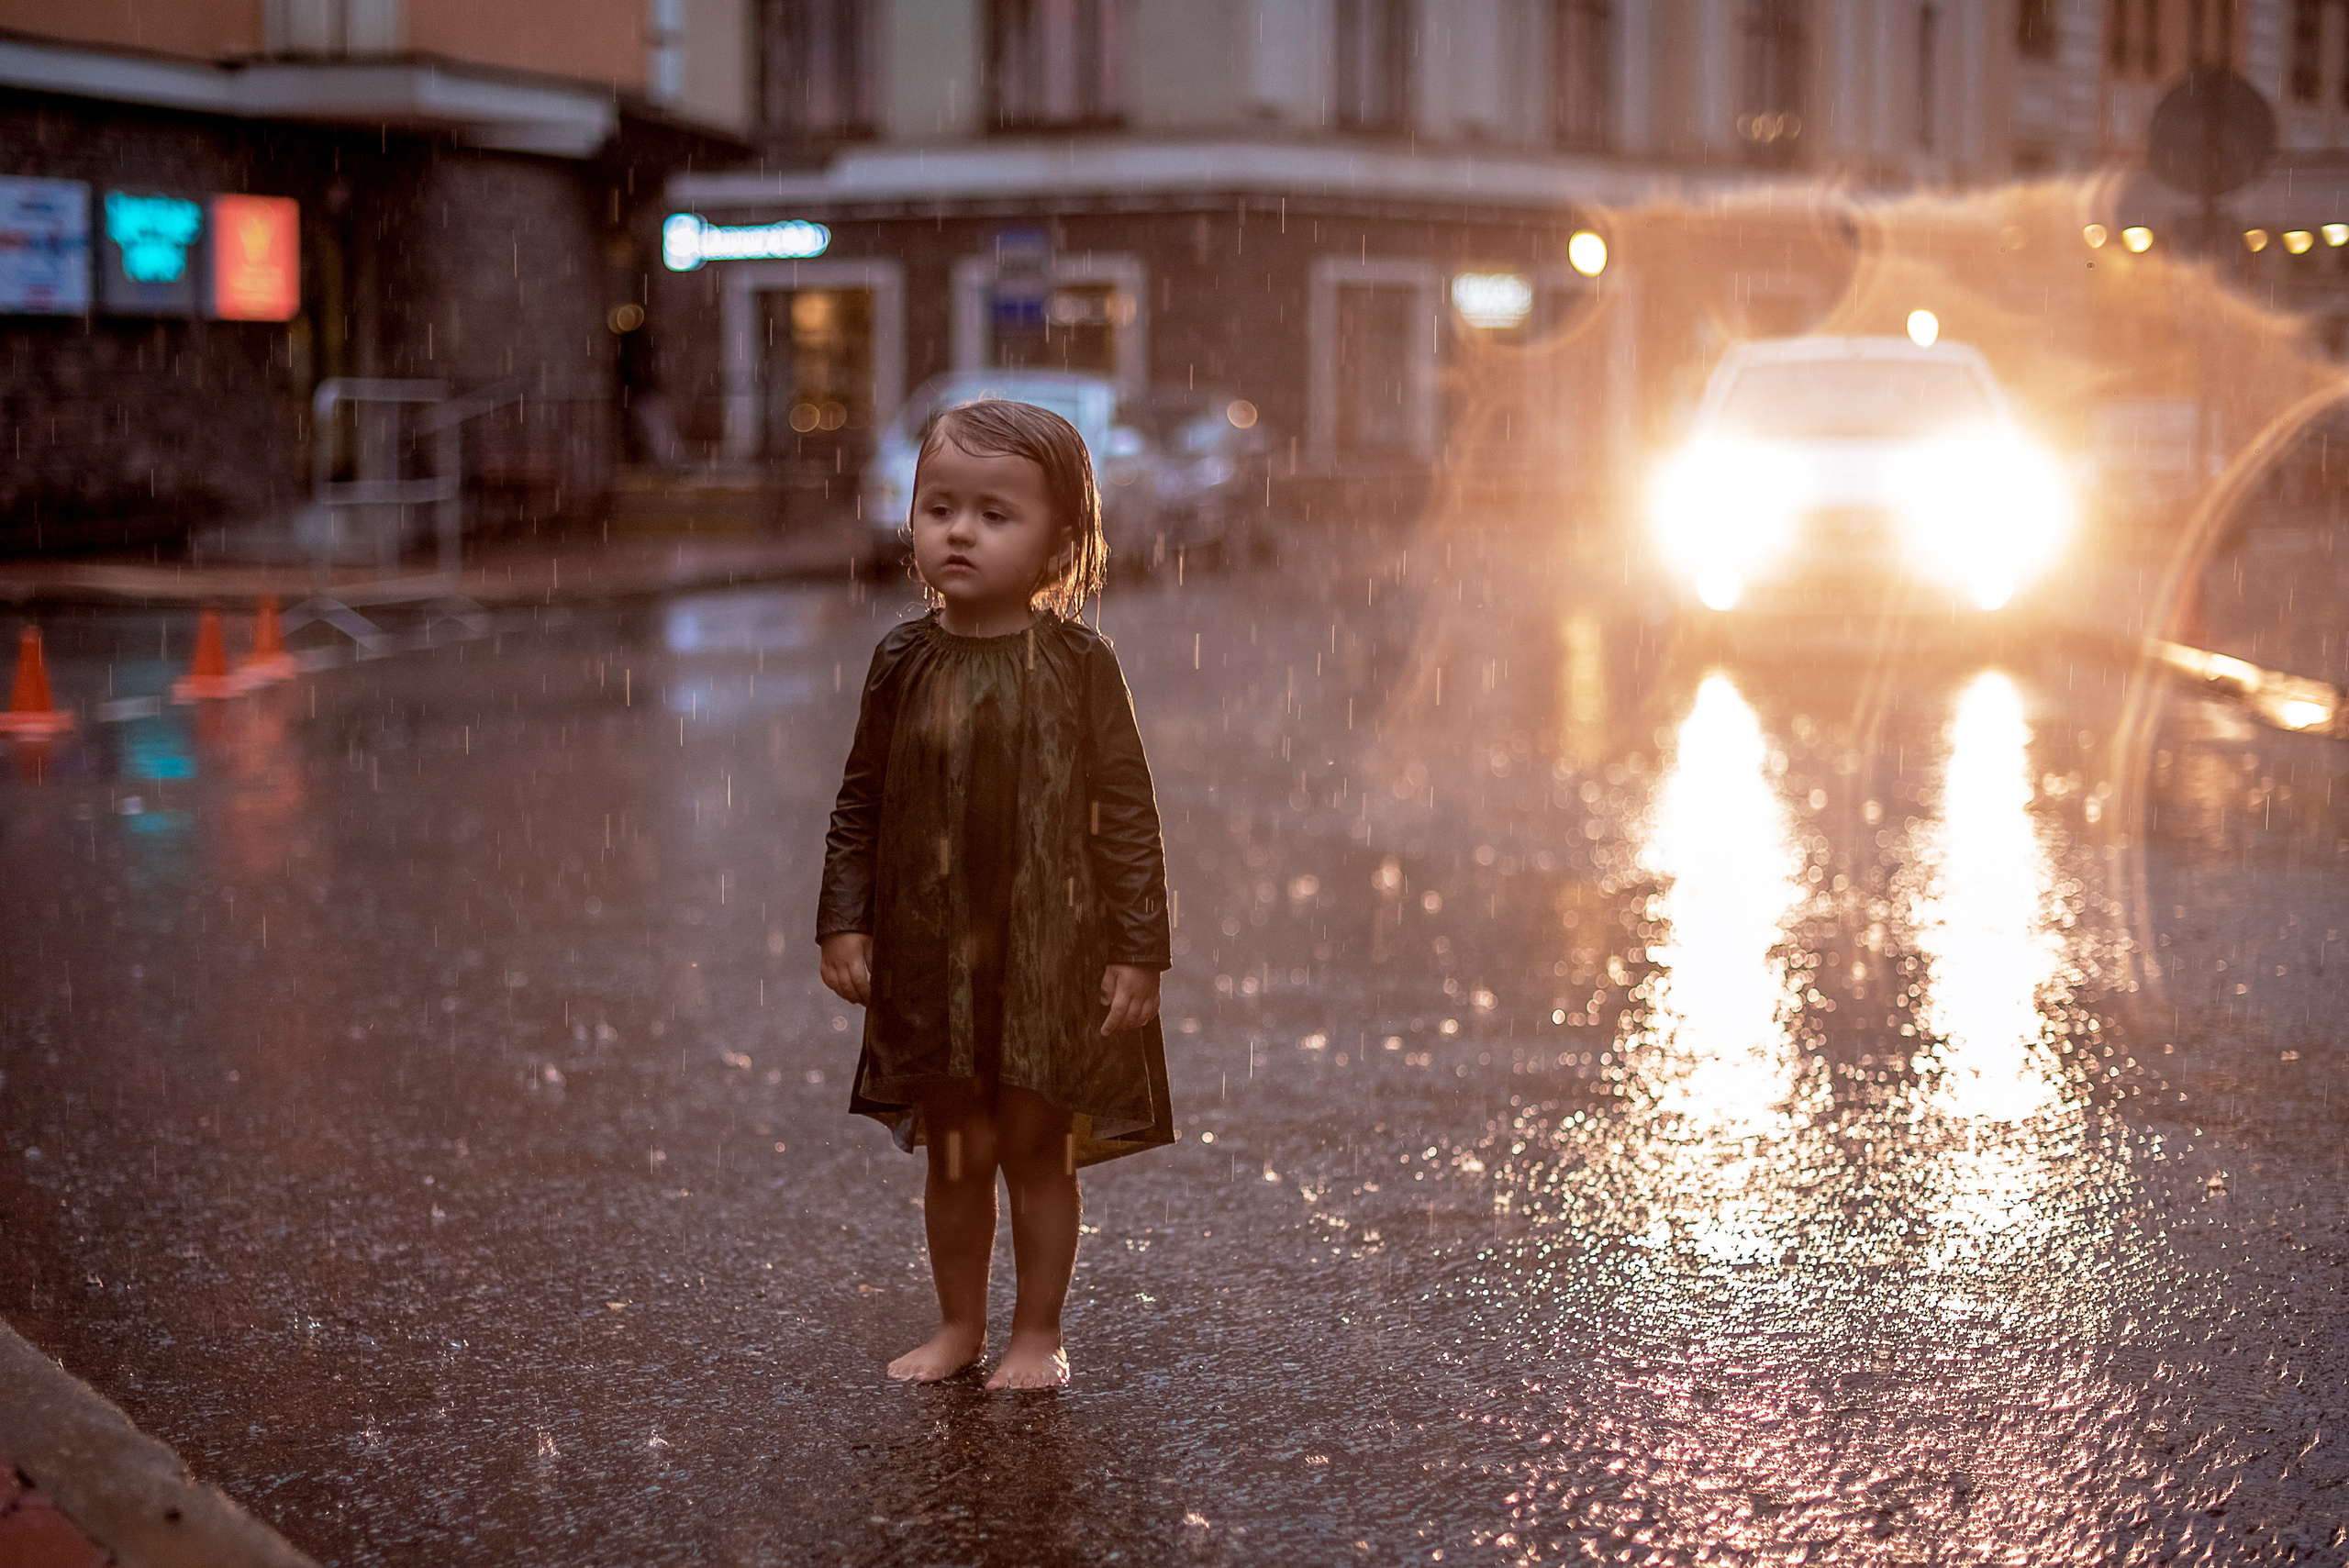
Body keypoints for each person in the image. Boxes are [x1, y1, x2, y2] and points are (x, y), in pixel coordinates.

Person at [816, 398, 1174, 1390]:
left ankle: (1037, 1333)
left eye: (992, 513)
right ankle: (958, 1323)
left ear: (1060, 543)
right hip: (934, 958)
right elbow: (862, 799)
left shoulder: (1079, 665)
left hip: (1050, 955)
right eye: (939, 507)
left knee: (1034, 1148)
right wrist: (843, 918)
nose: (958, 530)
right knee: (956, 1154)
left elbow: (1126, 810)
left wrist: (1139, 947)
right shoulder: (901, 659)